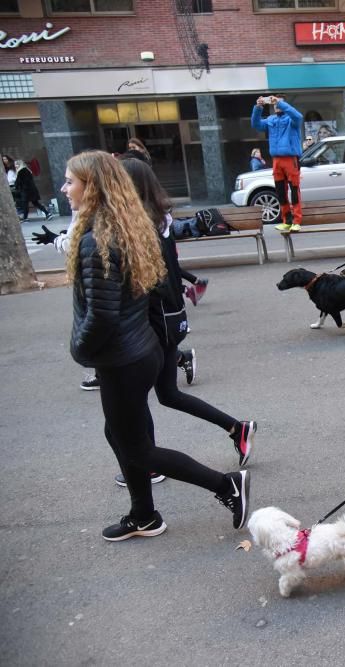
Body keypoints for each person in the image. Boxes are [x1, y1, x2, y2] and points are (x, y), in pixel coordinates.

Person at [62, 150, 250, 541]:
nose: (65, 189)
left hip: (123, 356)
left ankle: (226, 485)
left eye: (70, 181)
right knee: (121, 436)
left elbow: (101, 314)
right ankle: (143, 514)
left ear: (92, 187)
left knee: (138, 450)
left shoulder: (98, 238)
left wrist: (81, 350)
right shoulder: (122, 227)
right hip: (137, 350)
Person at [117, 157, 257, 485]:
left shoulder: (139, 224)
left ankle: (147, 462)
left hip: (154, 321)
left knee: (137, 400)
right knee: (166, 394)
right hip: (171, 317)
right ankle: (236, 427)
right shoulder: (159, 217)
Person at [251, 93, 303, 231]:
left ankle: (297, 221)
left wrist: (280, 103)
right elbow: (255, 124)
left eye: (278, 103)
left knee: (294, 189)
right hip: (276, 160)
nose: (276, 105)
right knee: (281, 191)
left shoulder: (292, 120)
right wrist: (258, 107)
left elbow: (298, 117)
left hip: (291, 159)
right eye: (274, 103)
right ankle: (287, 221)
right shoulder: (271, 119)